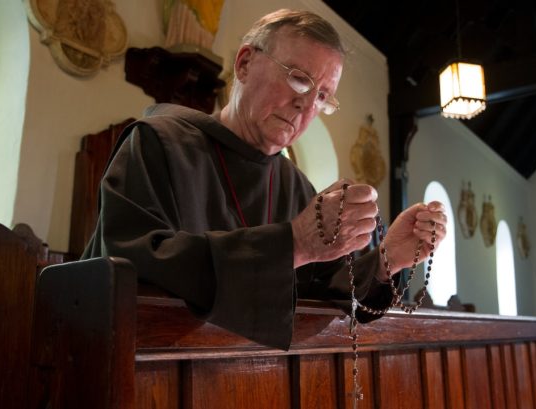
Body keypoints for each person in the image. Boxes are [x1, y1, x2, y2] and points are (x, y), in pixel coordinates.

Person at [82, 9, 447, 350]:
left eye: (322, 96)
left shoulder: (298, 187)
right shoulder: (157, 143)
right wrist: (294, 244)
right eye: (299, 79)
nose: (306, 106)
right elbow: (131, 263)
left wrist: (388, 259)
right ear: (244, 64)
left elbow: (327, 291)